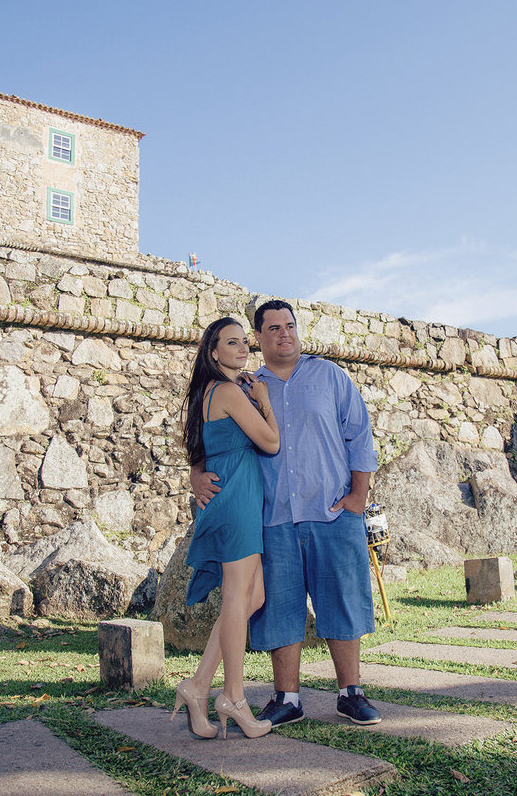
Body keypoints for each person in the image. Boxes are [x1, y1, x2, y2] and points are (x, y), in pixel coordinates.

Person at [191, 299, 382, 728]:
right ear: (258, 338)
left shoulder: (330, 376)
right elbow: (210, 434)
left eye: (290, 325)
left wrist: (358, 496)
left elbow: (360, 435)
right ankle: (287, 697)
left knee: (342, 598)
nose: (284, 333)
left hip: (330, 510)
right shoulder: (244, 387)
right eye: (273, 328)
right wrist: (195, 474)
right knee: (279, 606)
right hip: (272, 515)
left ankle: (351, 693)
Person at [172, 317, 280, 740]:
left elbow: (199, 448)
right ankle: (233, 697)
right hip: (235, 501)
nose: (241, 349)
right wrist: (265, 400)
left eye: (243, 343)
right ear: (213, 352)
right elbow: (270, 442)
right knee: (239, 597)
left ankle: (198, 686)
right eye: (230, 343)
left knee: (254, 595)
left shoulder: (211, 391)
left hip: (236, 497)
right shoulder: (231, 391)